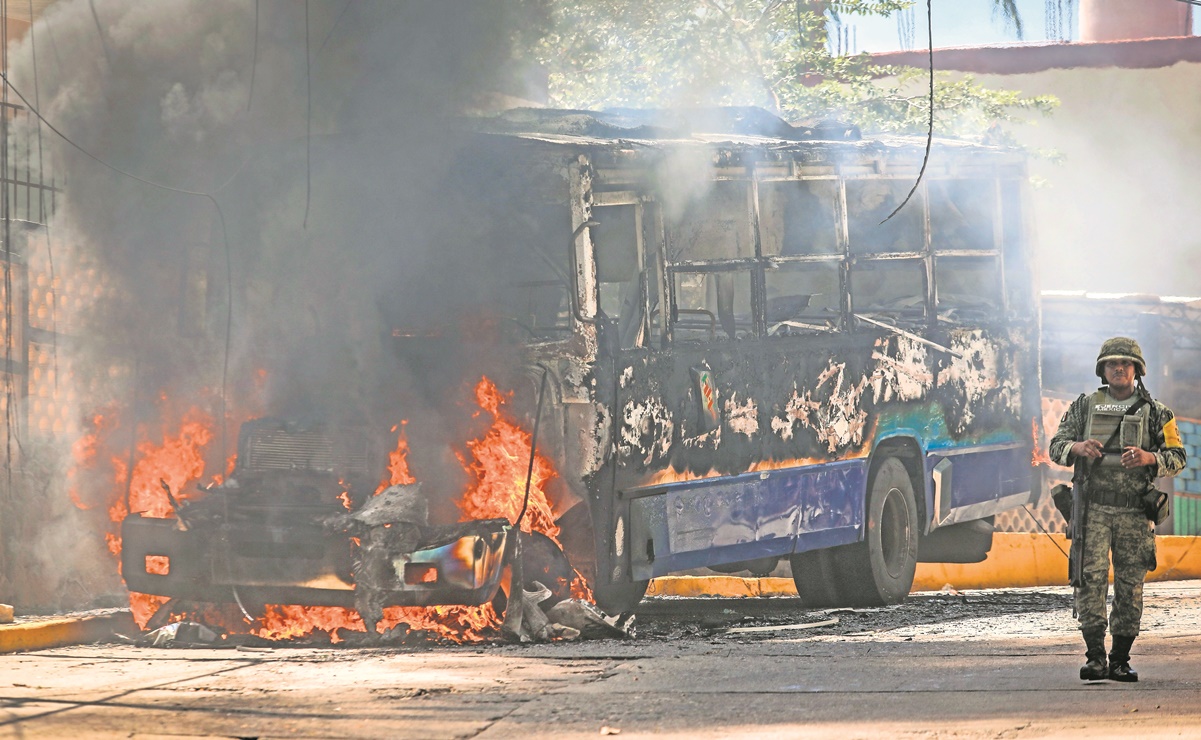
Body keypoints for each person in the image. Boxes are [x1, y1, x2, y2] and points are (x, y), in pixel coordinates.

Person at [1049, 337, 1186, 682]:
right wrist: (1078, 447)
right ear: (1103, 370)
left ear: (1137, 370)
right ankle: (1095, 656)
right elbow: (1056, 447)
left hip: (1133, 513)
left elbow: (1179, 457)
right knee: (1090, 581)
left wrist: (1149, 457)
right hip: (1092, 510)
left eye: (1126, 364)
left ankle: (1120, 658)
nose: (1119, 369)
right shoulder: (1084, 406)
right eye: (1113, 364)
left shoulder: (1157, 412)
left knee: (1130, 584)